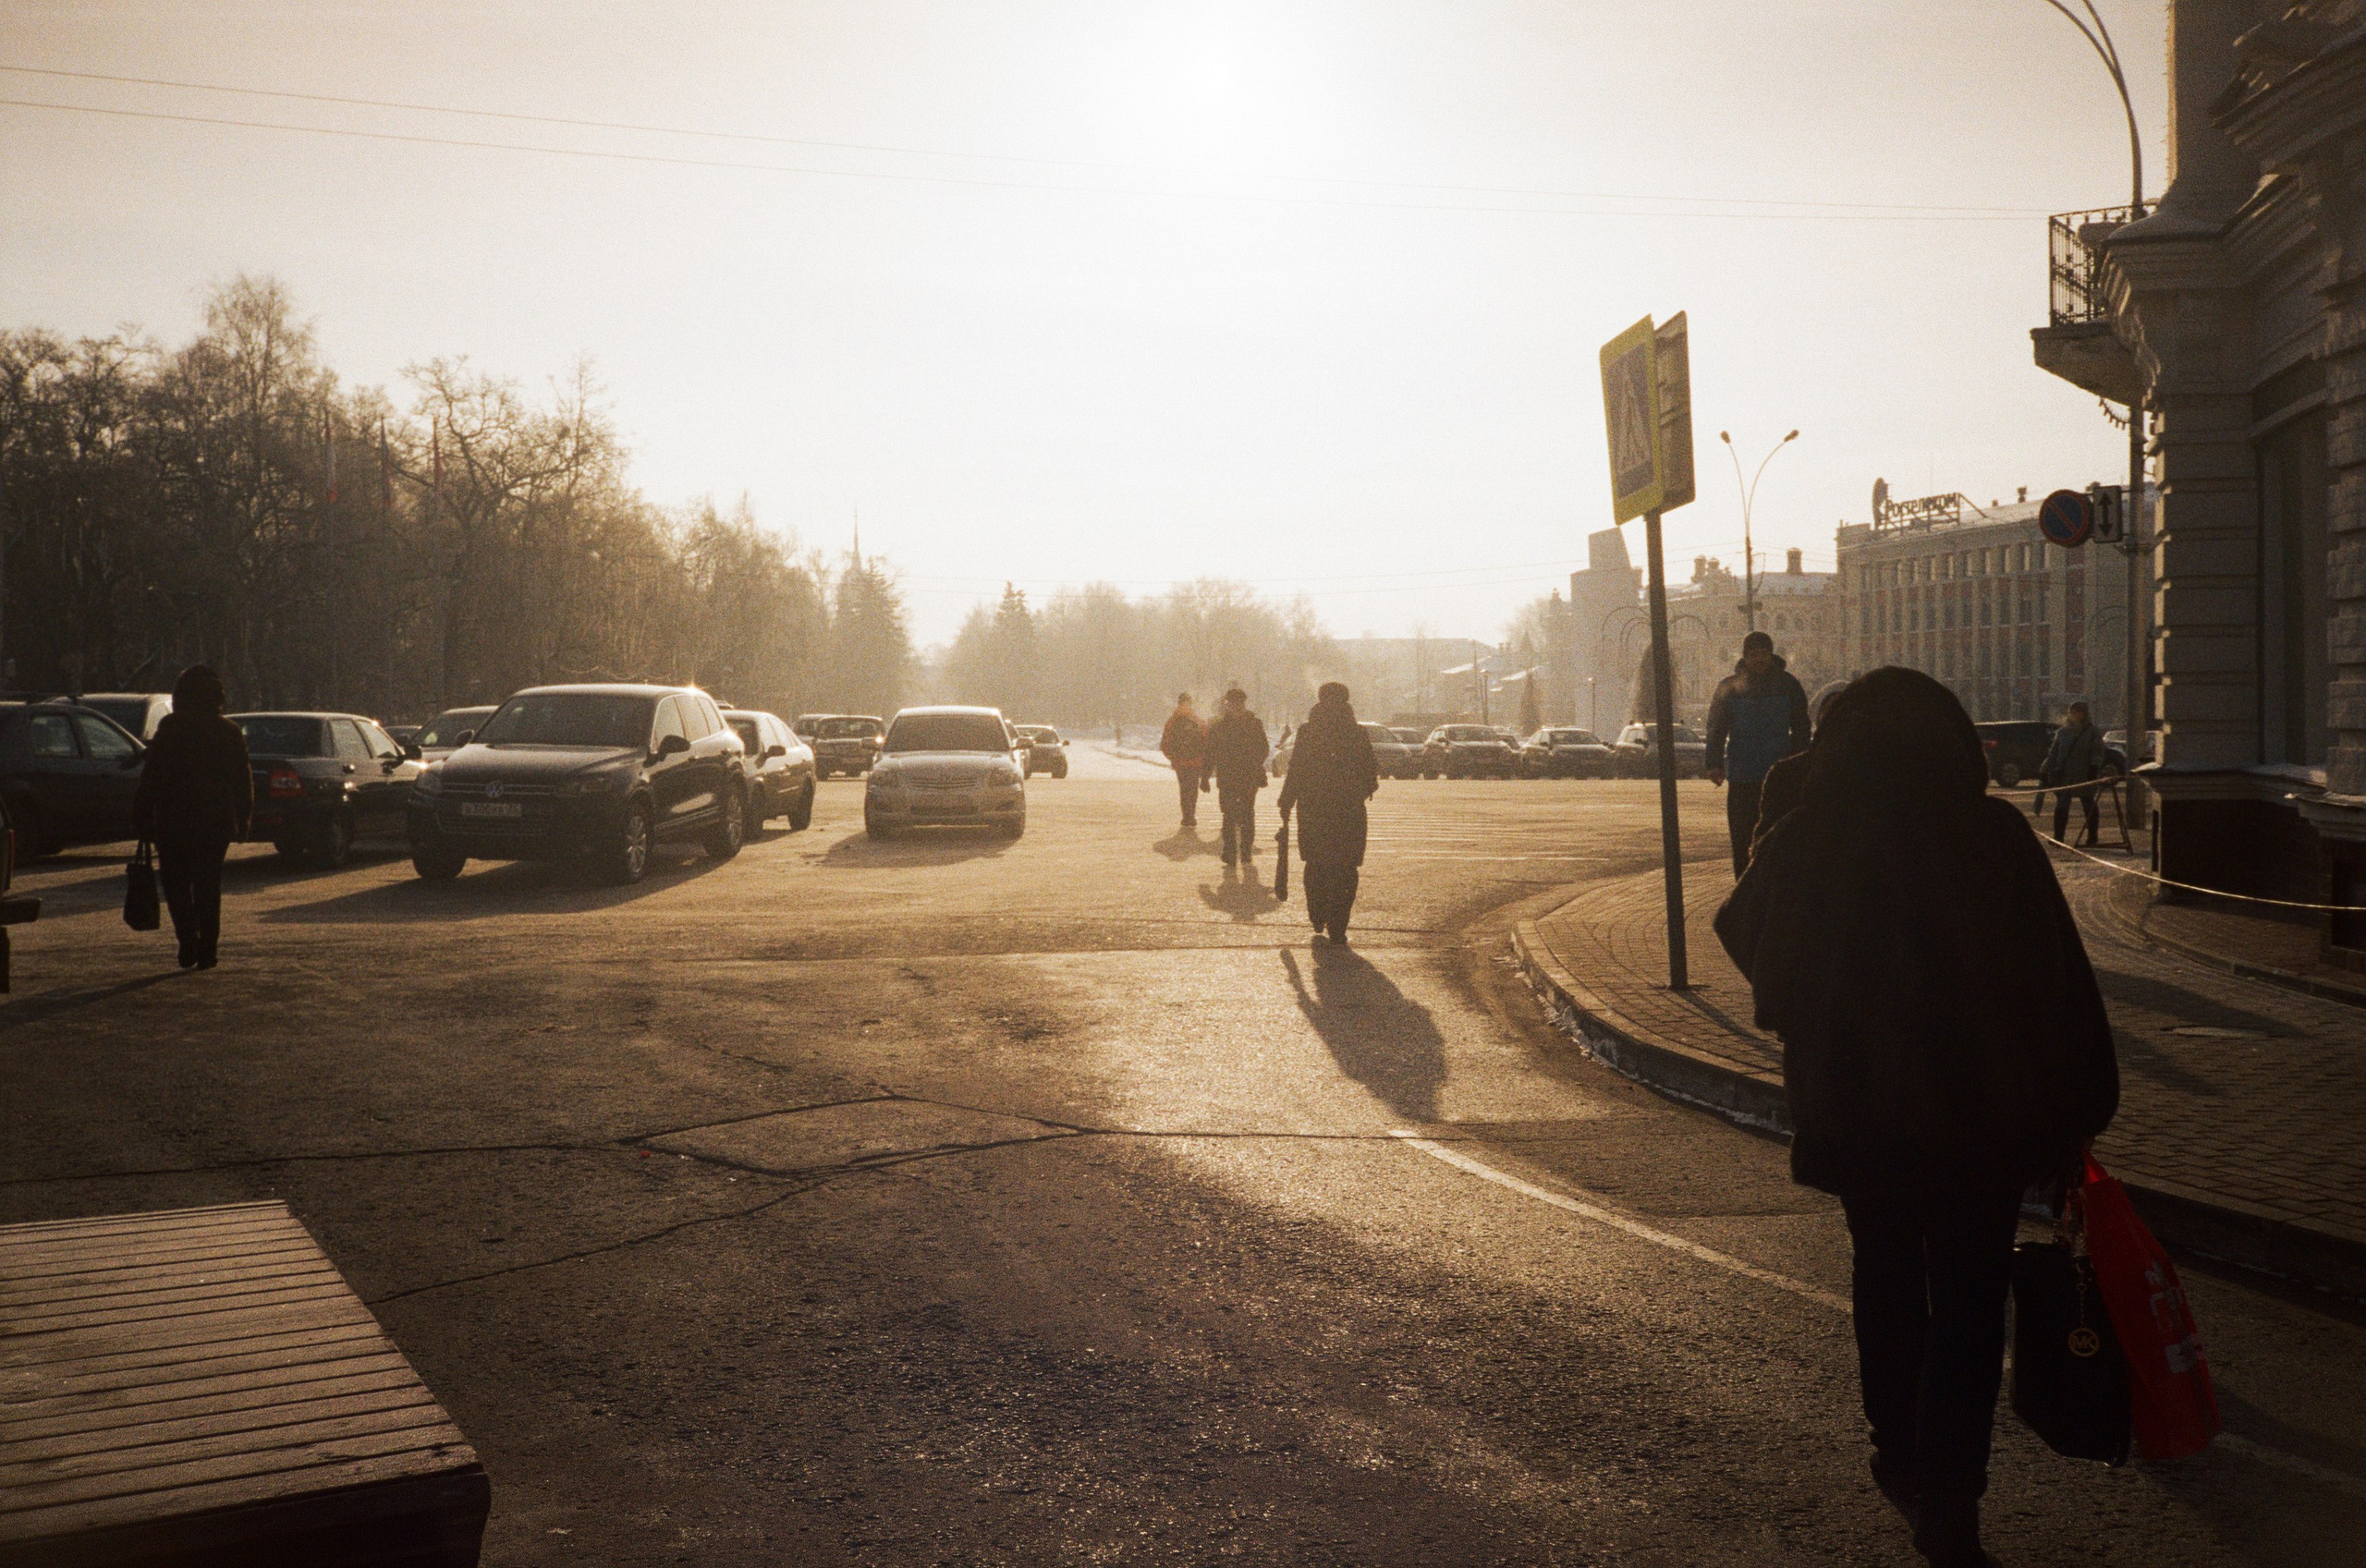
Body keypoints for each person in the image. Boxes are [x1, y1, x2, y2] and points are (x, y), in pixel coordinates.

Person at [1714, 668, 2118, 1568]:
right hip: (1985, 1111)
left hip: (1860, 1110)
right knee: (1972, 1299)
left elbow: (1743, 929)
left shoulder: (1812, 836)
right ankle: (1953, 1497)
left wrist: (1814, 1013)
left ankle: (1897, 1450)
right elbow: (2058, 983)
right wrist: (2077, 1109)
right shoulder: (1993, 834)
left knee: (1887, 1273)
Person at [132, 665, 254, 971]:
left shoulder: (171, 728)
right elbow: (242, 779)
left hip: (174, 819)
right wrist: (244, 817)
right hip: (215, 821)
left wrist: (142, 814)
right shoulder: (228, 732)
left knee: (176, 884)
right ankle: (208, 949)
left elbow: (153, 776)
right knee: (207, 885)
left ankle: (187, 941)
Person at [1274, 683, 1379, 944]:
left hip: (1314, 809)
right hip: (1349, 812)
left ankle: (1318, 913)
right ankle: (1338, 924)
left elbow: (1296, 768)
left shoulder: (1309, 731)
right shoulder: (1356, 733)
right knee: (1346, 868)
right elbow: (1371, 774)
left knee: (1317, 864)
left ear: (1319, 701)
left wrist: (1286, 801)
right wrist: (1359, 790)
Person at [1704, 630, 1811, 878]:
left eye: (1764, 653)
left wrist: (1797, 762)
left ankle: (1778, 883)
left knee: (1780, 835)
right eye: (1754, 654)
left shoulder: (1788, 684)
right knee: (1743, 836)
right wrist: (1714, 763)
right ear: (1745, 657)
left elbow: (1801, 727)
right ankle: (1744, 882)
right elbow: (1716, 727)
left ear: (1771, 655)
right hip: (1743, 775)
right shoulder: (1730, 688)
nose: (1759, 659)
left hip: (1779, 775)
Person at [1203, 687, 1270, 868]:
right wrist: (1205, 777)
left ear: (1244, 703)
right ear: (1228, 705)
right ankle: (1231, 851)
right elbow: (1210, 752)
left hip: (1246, 776)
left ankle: (1245, 850)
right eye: (1233, 703)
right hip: (1229, 777)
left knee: (1246, 813)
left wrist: (1253, 763)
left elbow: (1264, 749)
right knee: (1230, 815)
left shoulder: (1254, 724)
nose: (1237, 706)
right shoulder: (1220, 727)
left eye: (1239, 703)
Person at [2040, 701, 2108, 846]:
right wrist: (2045, 769)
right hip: (2065, 774)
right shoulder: (2063, 732)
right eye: (2074, 711)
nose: (2077, 714)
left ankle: (2092, 837)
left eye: (2080, 712)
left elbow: (2098, 751)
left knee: (2088, 803)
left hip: (2084, 774)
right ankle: (2058, 837)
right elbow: (2054, 753)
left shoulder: (2092, 732)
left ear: (2085, 714)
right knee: (2062, 804)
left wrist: (2094, 767)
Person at [1159, 693, 1209, 829]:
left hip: (1180, 762)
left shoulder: (1172, 721)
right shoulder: (1197, 720)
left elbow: (1165, 742)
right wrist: (1203, 756)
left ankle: (1186, 816)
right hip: (1195, 761)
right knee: (1192, 788)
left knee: (1184, 788)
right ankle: (1191, 814)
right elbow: (1206, 739)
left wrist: (1173, 757)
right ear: (1191, 703)